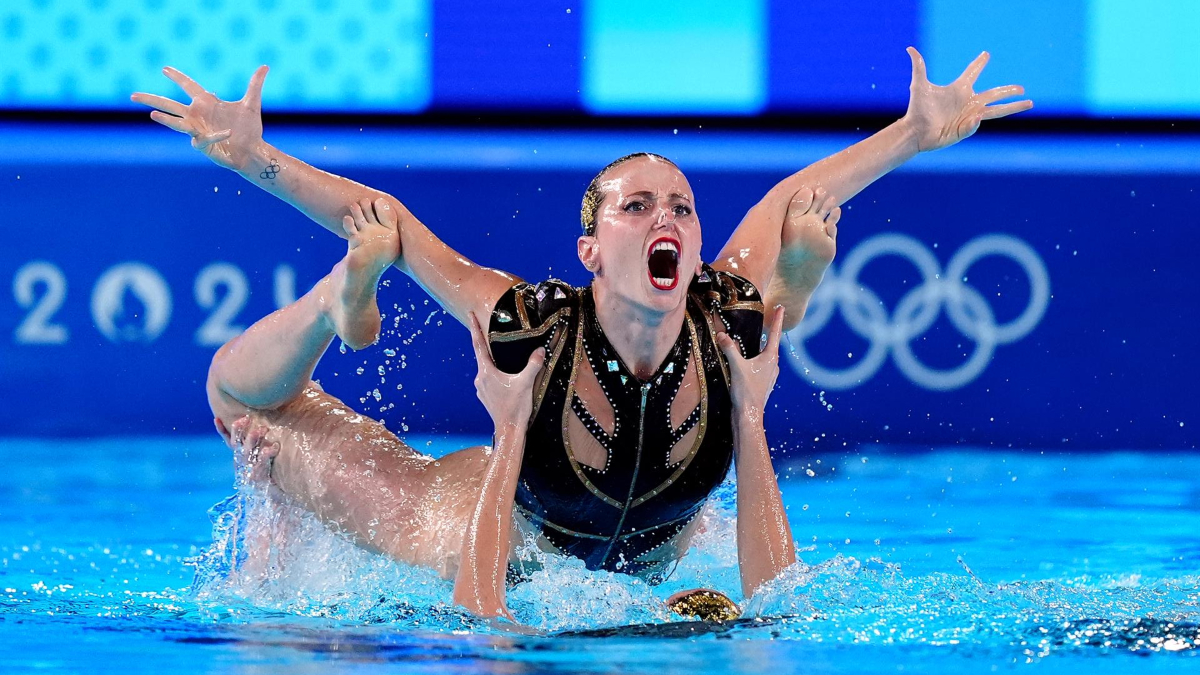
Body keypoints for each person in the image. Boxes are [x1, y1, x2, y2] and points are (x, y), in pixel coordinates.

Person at [132, 48, 1031, 617]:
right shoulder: (531, 326)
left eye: (679, 204)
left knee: (787, 273)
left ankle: (342, 307)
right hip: (465, 525)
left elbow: (796, 197)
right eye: (635, 206)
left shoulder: (724, 318)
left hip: (641, 561)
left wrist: (912, 136)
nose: (662, 216)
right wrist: (252, 158)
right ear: (591, 249)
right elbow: (394, 225)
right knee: (243, 404)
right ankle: (336, 300)